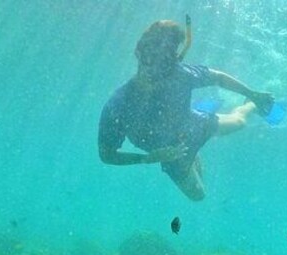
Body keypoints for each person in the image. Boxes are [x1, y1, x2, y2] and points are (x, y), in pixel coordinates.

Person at [98, 19, 275, 201]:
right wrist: (146, 158)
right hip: (171, 152)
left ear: (172, 62)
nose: (155, 72)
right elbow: (106, 154)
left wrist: (252, 94)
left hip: (194, 124)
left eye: (164, 64)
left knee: (239, 121)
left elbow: (219, 78)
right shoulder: (118, 106)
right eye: (150, 60)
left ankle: (251, 106)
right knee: (198, 195)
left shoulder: (180, 74)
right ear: (138, 53)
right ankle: (193, 154)